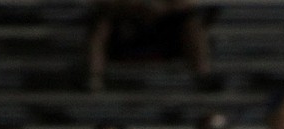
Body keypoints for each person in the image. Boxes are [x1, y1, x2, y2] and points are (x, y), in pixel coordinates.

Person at [85, 0, 221, 92]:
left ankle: (203, 75)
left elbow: (191, 3)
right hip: (127, 28)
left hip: (164, 30)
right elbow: (101, 3)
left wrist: (163, 7)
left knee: (192, 24)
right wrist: (135, 6)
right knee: (102, 24)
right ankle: (94, 77)